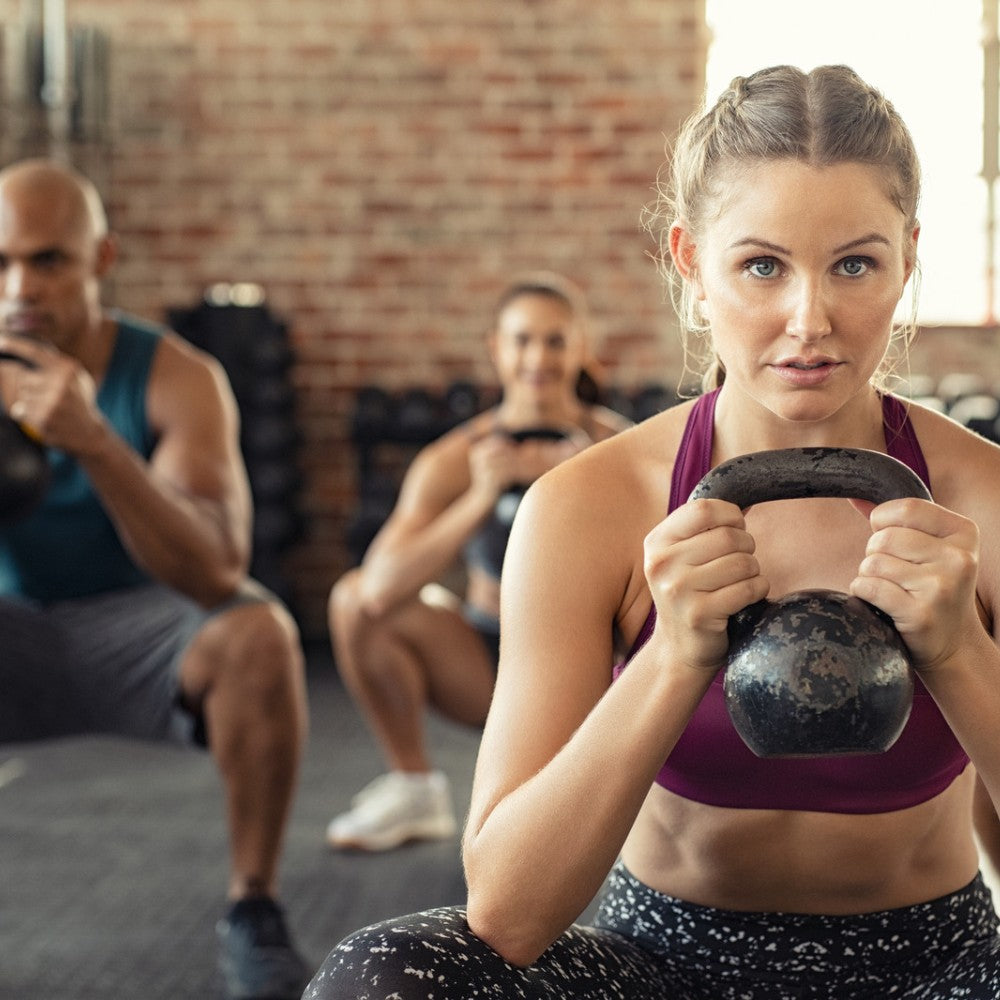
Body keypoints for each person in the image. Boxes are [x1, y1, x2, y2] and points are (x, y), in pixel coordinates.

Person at [304, 64, 1000, 999]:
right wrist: (673, 655)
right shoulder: (587, 507)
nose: (810, 319)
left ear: (907, 259)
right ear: (690, 262)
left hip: (934, 965)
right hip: (660, 966)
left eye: (855, 264)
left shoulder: (980, 502)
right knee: (380, 979)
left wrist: (959, 654)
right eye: (762, 266)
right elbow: (507, 912)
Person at [0, 159, 312, 1000]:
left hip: (144, 631)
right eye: (0, 263)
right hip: (12, 631)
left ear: (102, 260)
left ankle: (253, 908)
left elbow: (216, 570)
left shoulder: (177, 376)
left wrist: (97, 442)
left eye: (48, 259)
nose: (20, 285)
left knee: (259, 632)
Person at [325, 274, 631, 852]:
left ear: (582, 347)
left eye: (555, 341)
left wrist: (587, 486)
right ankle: (414, 788)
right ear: (496, 348)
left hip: (595, 667)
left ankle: (649, 793)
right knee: (349, 598)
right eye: (522, 341)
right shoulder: (454, 459)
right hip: (487, 660)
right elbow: (377, 589)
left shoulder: (620, 450)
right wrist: (479, 496)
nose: (537, 358)